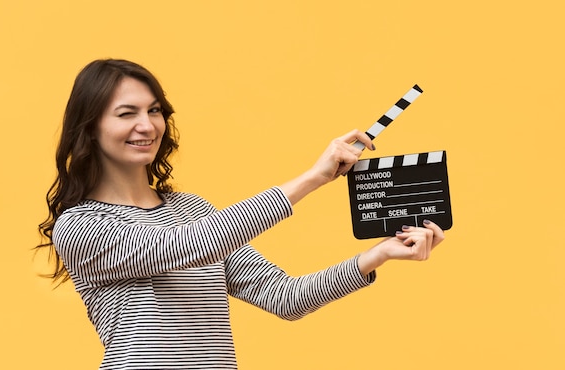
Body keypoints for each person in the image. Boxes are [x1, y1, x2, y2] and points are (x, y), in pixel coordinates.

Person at [38, 59, 444, 370]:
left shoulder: (190, 209)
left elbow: (286, 297)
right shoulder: (82, 226)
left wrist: (380, 254)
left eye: (155, 110)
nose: (147, 125)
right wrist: (313, 178)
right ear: (89, 128)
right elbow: (186, 245)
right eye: (126, 113)